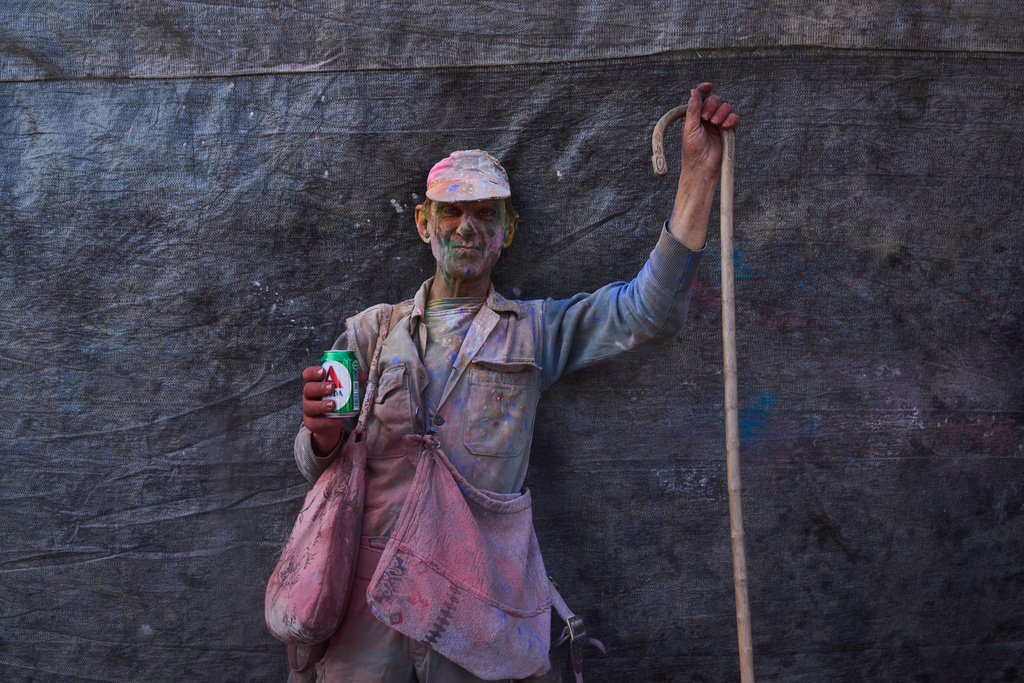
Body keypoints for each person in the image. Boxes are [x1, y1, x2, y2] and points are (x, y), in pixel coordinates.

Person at [292, 83, 739, 682]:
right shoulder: (370, 334)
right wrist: (319, 433)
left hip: (473, 604)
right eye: (451, 211)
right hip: (370, 608)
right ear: (425, 223)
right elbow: (319, 459)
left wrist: (698, 176)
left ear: (509, 230)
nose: (467, 228)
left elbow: (643, 312)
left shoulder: (535, 334)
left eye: (486, 214)